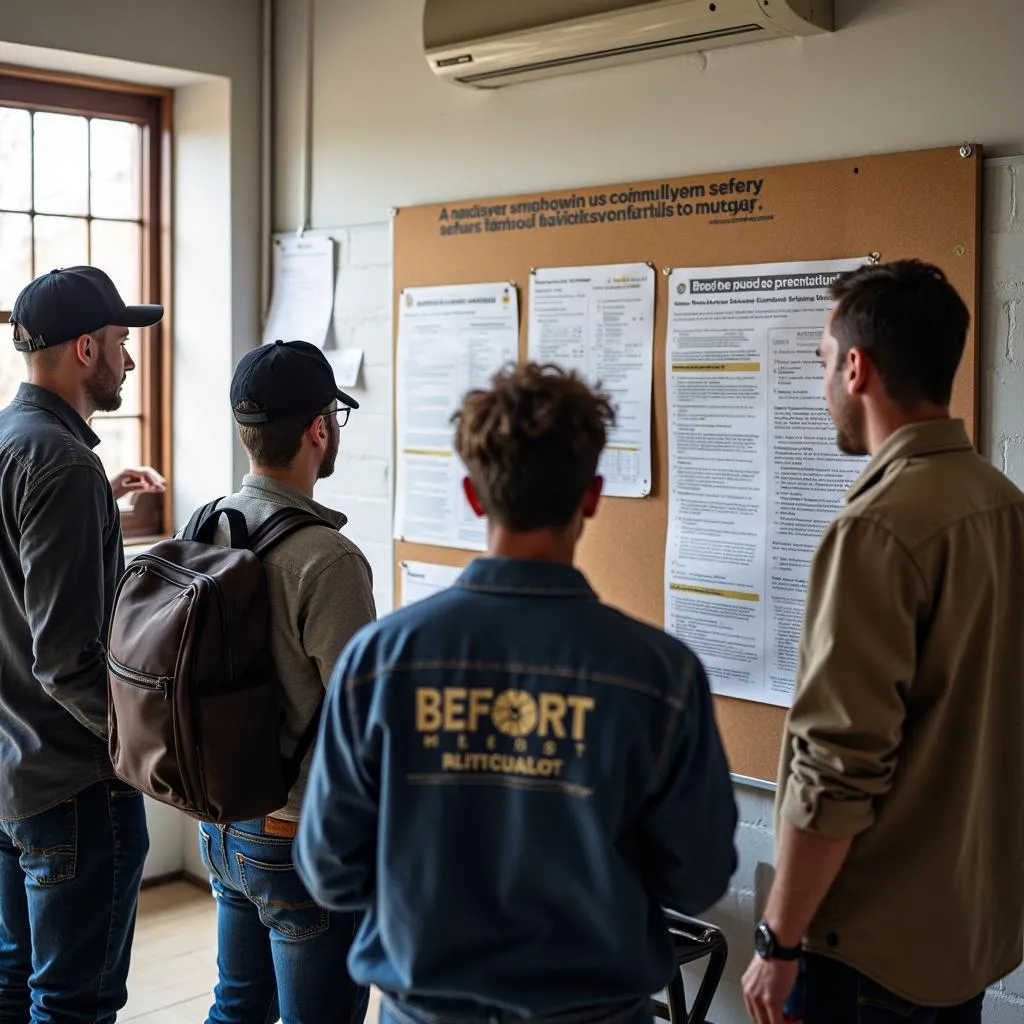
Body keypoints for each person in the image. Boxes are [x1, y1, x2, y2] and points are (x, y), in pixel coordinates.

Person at [295, 362, 738, 1024]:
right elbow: (698, 877)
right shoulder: (659, 675)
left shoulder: (379, 663)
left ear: (474, 495)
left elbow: (329, 867)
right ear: (591, 496)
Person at [742, 260, 1024, 1024]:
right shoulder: (1003, 506)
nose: (823, 383)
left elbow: (837, 763)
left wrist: (777, 937)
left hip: (867, 953)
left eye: (824, 363)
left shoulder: (877, 526)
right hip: (963, 937)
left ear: (856, 367)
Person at [0, 266, 163, 1023]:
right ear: (85, 350)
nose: (130, 360)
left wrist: (108, 505)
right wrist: (151, 751)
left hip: (11, 773)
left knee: (13, 984)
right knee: (75, 1005)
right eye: (123, 342)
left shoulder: (10, 441)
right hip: (73, 786)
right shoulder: (64, 463)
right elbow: (67, 657)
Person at [197, 340, 376, 1024]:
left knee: (236, 1007)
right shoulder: (328, 559)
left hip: (220, 820)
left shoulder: (207, 522)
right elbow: (360, 723)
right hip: (298, 836)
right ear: (317, 430)